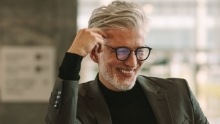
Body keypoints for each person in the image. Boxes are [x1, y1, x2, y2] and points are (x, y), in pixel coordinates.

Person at [45, 1, 209, 124]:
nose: (132, 63)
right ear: (95, 54)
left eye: (139, 51)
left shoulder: (178, 93)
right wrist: (74, 56)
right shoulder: (76, 103)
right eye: (121, 51)